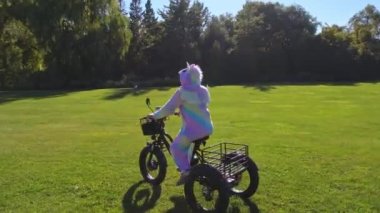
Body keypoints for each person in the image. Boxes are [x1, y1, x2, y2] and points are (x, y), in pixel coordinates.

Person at [149, 63, 214, 185]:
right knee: (185, 143)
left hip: (193, 130)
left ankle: (186, 172)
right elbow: (197, 107)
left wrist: (155, 115)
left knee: (175, 148)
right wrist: (182, 111)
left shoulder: (182, 92)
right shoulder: (203, 90)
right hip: (207, 126)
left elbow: (168, 108)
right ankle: (190, 163)